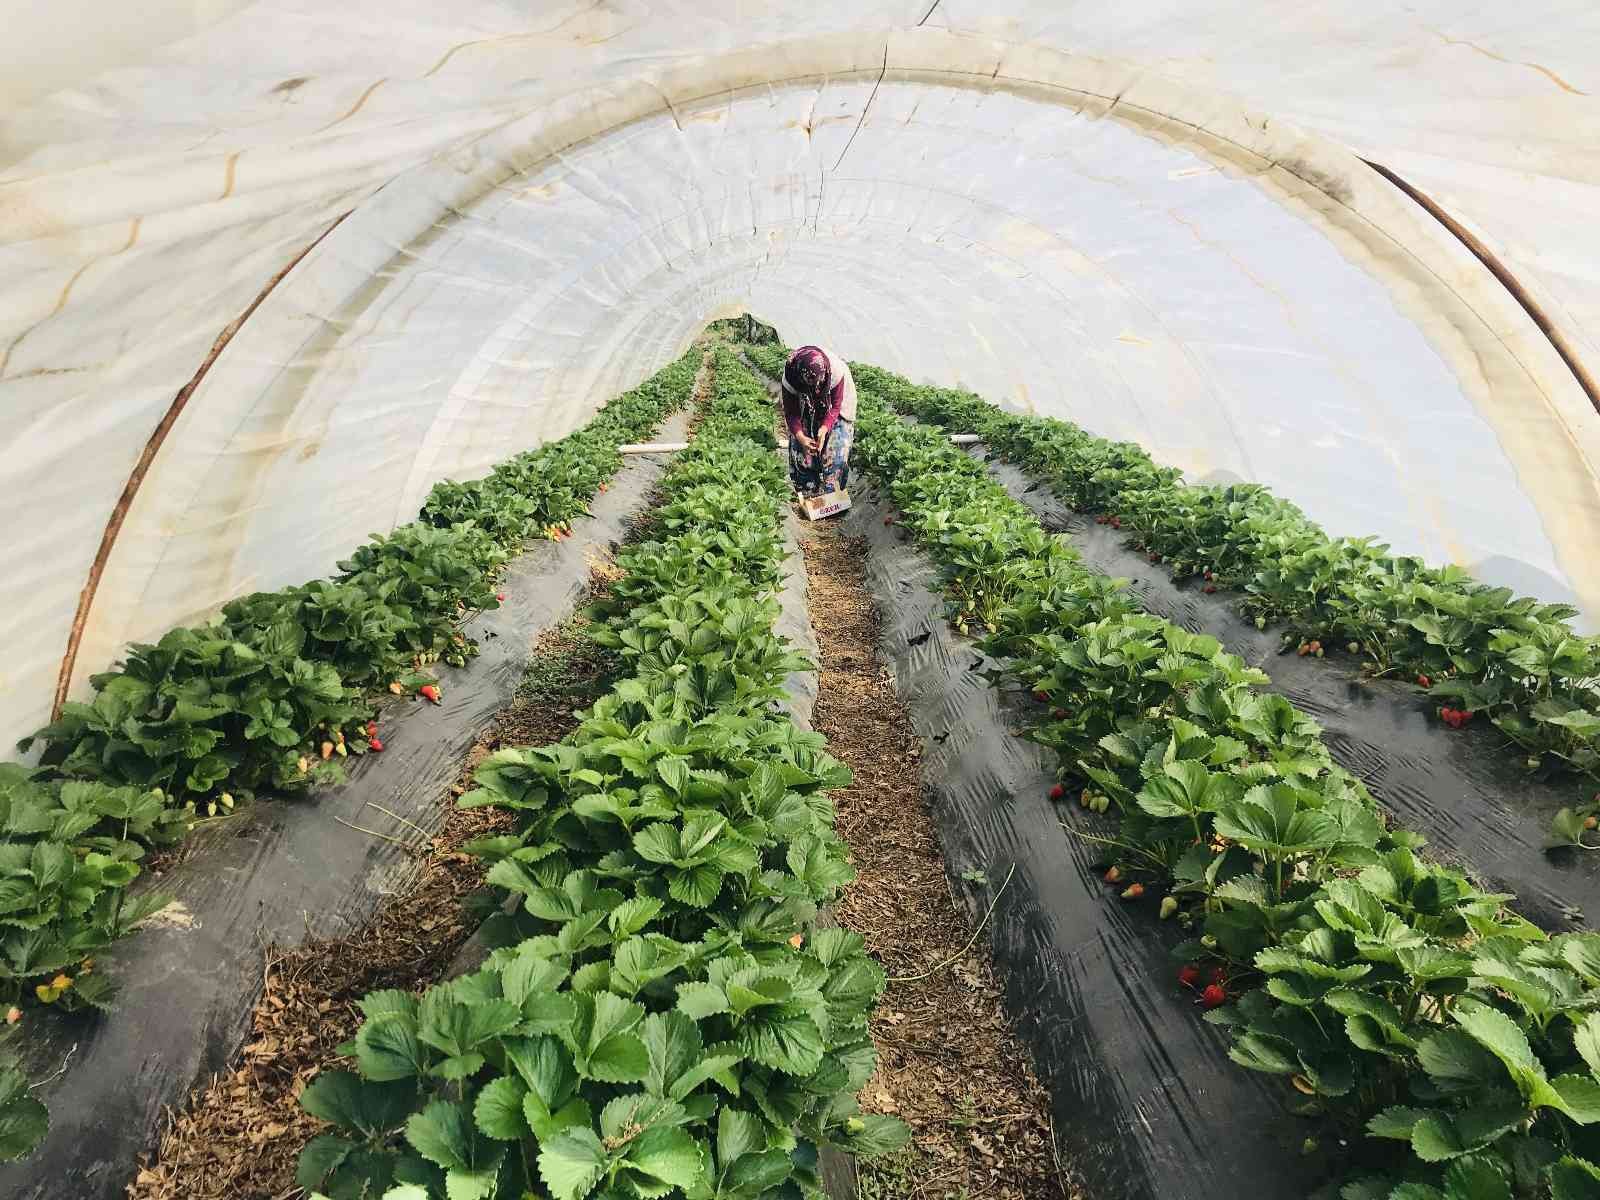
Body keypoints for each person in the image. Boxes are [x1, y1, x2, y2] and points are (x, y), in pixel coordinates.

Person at [781, 344, 856, 497]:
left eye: (819, 385)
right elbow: (792, 413)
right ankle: (808, 490)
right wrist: (801, 437)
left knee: (838, 444)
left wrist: (824, 429)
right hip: (804, 400)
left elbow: (835, 407)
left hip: (839, 405)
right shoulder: (791, 376)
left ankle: (833, 494)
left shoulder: (835, 371)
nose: (816, 390)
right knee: (801, 445)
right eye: (812, 385)